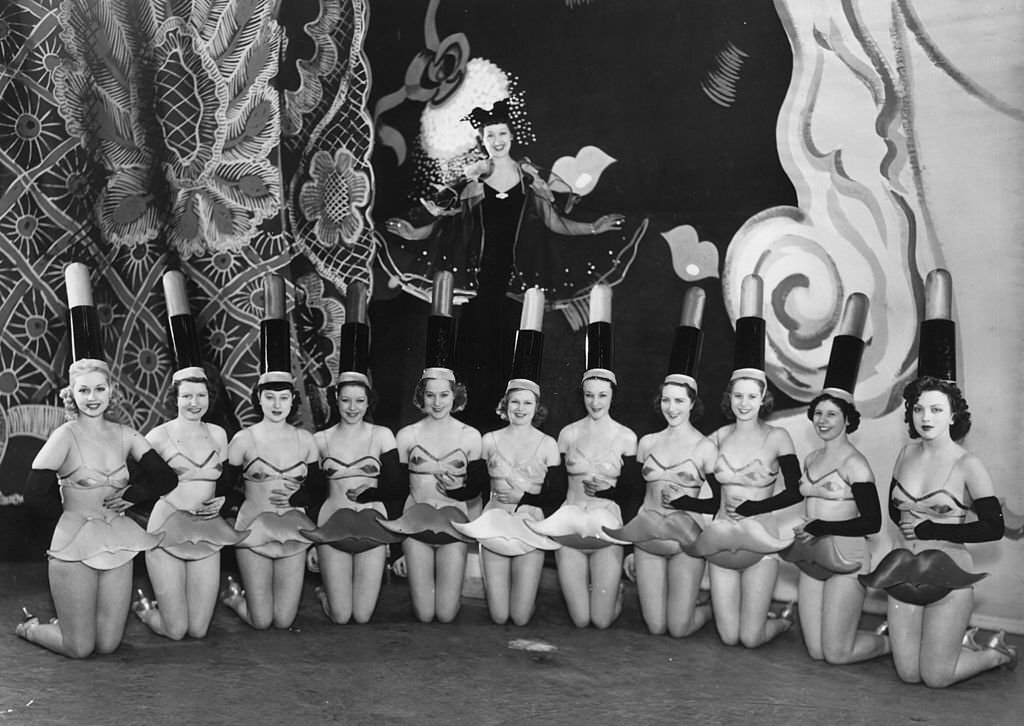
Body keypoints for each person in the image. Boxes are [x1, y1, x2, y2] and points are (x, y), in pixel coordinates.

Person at [384, 100, 627, 431]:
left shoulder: (530, 181)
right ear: (482, 139)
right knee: (471, 359)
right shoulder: (470, 182)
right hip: (479, 289)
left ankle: (506, 434)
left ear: (512, 136)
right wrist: (414, 232)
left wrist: (594, 227)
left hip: (515, 290)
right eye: (489, 135)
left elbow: (555, 223)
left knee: (511, 361)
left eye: (502, 133)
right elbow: (442, 224)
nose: (496, 140)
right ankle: (469, 431)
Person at [16, 358, 176, 657]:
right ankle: (32, 627)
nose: (92, 398)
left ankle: (69, 622)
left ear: (111, 391)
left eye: (99, 389)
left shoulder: (126, 434)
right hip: (74, 544)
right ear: (71, 395)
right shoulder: (65, 435)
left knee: (107, 645)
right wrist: (70, 524)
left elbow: (166, 477)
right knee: (80, 649)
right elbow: (33, 494)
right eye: (84, 390)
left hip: (116, 541)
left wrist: (134, 494)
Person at [863, 376, 1014, 685]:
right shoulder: (905, 455)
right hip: (904, 570)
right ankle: (956, 645)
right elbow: (894, 508)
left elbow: (994, 528)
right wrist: (909, 522)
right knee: (907, 674)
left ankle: (995, 653)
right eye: (918, 409)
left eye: (936, 409)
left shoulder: (969, 464)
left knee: (936, 677)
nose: (926, 418)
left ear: (953, 414)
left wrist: (932, 527)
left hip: (950, 574)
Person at [133, 370, 243, 640]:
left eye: (201, 395)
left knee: (198, 630)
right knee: (177, 630)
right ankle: (146, 610)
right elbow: (135, 483)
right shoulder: (157, 437)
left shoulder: (218, 434)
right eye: (187, 396)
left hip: (206, 528)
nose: (194, 402)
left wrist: (224, 501)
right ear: (176, 399)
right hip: (167, 529)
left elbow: (226, 482)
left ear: (210, 398)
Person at [613, 377, 718, 637]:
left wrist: (686, 502)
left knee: (678, 629)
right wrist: (630, 548)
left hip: (686, 542)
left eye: (679, 400)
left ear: (692, 403)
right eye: (666, 400)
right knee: (656, 626)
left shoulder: (706, 447)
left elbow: (718, 502)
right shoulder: (647, 442)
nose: (671, 408)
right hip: (647, 539)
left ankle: (712, 609)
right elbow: (635, 495)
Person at [789, 392, 890, 663]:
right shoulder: (810, 459)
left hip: (848, 554)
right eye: (818, 413)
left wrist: (821, 525)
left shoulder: (855, 465)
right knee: (817, 651)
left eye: (831, 414)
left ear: (847, 419)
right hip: (813, 552)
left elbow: (872, 522)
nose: (822, 420)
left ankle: (891, 643)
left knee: (836, 654)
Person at [219, 374, 321, 630]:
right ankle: (235, 599)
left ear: (292, 401)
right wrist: (243, 505)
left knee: (284, 620)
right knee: (262, 622)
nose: (277, 405)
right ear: (258, 399)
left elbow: (320, 490)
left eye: (284, 398)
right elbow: (223, 488)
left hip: (294, 531)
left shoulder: (306, 440)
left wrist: (297, 497)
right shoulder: (243, 440)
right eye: (270, 397)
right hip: (253, 530)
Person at [383, 369, 485, 623]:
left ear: (455, 396)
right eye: (430, 395)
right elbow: (396, 494)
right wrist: (397, 550)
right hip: (415, 526)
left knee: (446, 614)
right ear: (421, 397)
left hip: (453, 527)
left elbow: (476, 489)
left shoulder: (471, 436)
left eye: (443, 395)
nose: (437, 403)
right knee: (425, 615)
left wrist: (455, 491)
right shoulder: (407, 435)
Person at [455, 383, 562, 625]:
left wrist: (523, 498)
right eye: (515, 402)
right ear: (505, 405)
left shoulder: (548, 444)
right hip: (494, 521)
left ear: (537, 408)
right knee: (499, 616)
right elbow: (474, 487)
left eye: (527, 403)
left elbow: (556, 495)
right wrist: (451, 488)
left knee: (520, 618)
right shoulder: (489, 440)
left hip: (531, 524)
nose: (520, 408)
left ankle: (527, 601)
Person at [304, 378, 401, 624]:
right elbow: (313, 496)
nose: (352, 407)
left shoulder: (382, 436)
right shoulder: (320, 439)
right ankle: (325, 594)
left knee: (362, 615)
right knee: (341, 616)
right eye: (346, 400)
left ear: (369, 402)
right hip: (332, 527)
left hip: (373, 527)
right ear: (336, 401)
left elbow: (396, 489)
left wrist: (393, 539)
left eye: (359, 401)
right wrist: (312, 543)